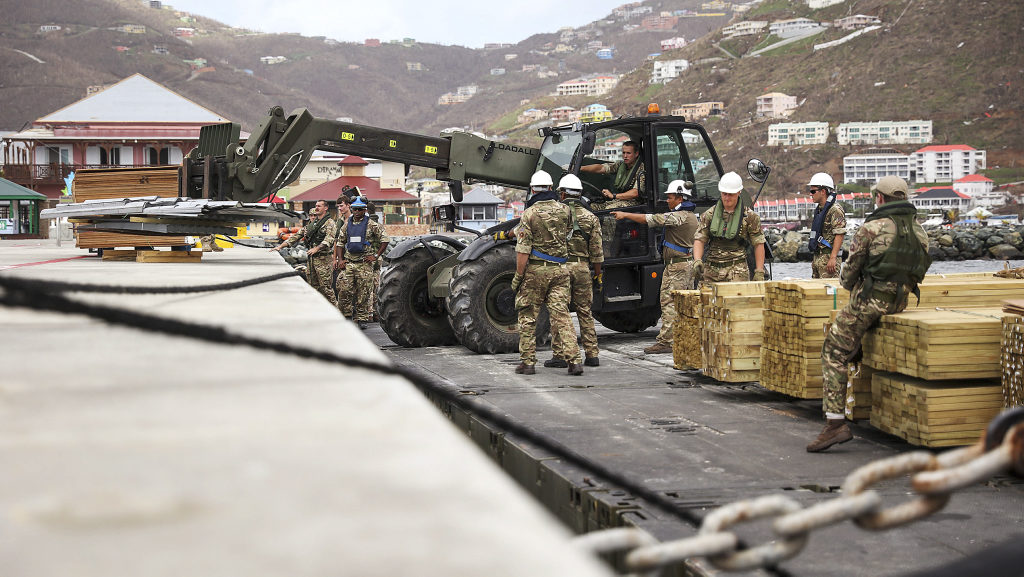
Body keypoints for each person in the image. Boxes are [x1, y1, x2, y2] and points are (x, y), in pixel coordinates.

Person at [807, 176, 931, 452]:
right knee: (855, 339)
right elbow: (920, 269)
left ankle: (835, 424)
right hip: (900, 301)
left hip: (870, 302)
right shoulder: (919, 231)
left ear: (880, 198)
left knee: (833, 351)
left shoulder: (871, 228)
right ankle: (858, 348)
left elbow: (848, 276)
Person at [613, 180, 699, 355]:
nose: (667, 200)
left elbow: (649, 219)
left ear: (680, 198)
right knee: (684, 304)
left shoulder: (679, 216)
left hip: (677, 267)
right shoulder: (690, 216)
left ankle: (666, 341)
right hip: (683, 265)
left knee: (669, 303)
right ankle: (685, 338)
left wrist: (625, 214)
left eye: (670, 197)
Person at [512, 170, 583, 376]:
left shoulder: (529, 214)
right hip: (560, 270)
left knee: (528, 317)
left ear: (532, 189)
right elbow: (568, 234)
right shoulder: (566, 210)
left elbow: (523, 251)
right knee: (562, 316)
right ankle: (575, 361)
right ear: (551, 188)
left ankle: (527, 363)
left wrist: (518, 277)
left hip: (536, 271)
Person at [543, 174, 603, 369]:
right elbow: (597, 254)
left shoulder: (555, 214)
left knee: (559, 312)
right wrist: (598, 275)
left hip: (560, 268)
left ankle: (559, 355)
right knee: (585, 311)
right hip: (583, 268)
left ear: (562, 194)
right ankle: (592, 355)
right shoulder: (592, 218)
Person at [692, 172, 766, 285]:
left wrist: (759, 271)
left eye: (731, 194)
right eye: (724, 194)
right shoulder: (709, 215)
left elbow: (758, 243)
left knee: (737, 297)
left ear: (739, 192)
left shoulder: (750, 217)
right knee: (705, 296)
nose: (727, 198)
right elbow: (699, 239)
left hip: (737, 270)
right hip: (711, 270)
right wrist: (697, 260)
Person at [271, 199, 337, 306]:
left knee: (326, 289)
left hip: (323, 260)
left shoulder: (330, 223)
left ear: (325, 208)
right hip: (311, 260)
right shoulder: (310, 226)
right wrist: (280, 247)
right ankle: (316, 309)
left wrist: (317, 248)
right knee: (312, 287)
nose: (317, 208)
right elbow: (296, 237)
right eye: (316, 205)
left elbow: (329, 239)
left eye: (319, 206)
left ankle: (336, 310)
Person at [334, 197, 387, 329]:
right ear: (351, 209)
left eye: (360, 209)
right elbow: (340, 243)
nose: (357, 212)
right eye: (355, 209)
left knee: (364, 293)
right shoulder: (347, 224)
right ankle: (346, 315)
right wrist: (340, 260)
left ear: (364, 210)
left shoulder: (371, 224)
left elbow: (385, 239)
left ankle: (362, 318)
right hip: (349, 262)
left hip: (364, 263)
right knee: (344, 290)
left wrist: (375, 256)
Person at [581, 140, 645, 210]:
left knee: (609, 209)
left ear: (636, 154)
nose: (625, 156)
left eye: (628, 153)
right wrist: (580, 168)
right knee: (592, 206)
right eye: (623, 153)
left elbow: (635, 193)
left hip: (635, 202)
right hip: (619, 200)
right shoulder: (620, 165)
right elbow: (601, 168)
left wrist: (614, 196)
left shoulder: (642, 169)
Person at [807, 172, 847, 278]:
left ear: (823, 191)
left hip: (829, 259)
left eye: (813, 191)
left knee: (828, 288)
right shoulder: (819, 210)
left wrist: (833, 258)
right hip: (818, 258)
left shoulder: (835, 210)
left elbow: (840, 234)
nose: (810, 194)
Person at [332, 195, 352, 315]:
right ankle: (345, 313)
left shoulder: (355, 219)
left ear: (348, 205)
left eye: (341, 206)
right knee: (341, 286)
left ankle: (361, 315)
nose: (340, 208)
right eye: (338, 206)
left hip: (353, 257)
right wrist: (335, 259)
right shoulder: (340, 221)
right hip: (342, 258)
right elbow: (336, 241)